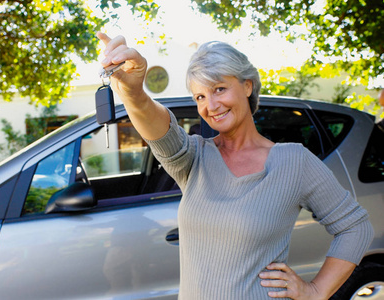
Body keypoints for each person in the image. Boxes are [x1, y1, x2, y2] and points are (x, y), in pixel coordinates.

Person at [96, 32, 374, 300]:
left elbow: (355, 227)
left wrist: (316, 291)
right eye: (200, 97)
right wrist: (133, 92)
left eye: (219, 89)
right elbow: (157, 126)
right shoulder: (194, 158)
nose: (211, 105)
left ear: (247, 85)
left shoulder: (294, 162)